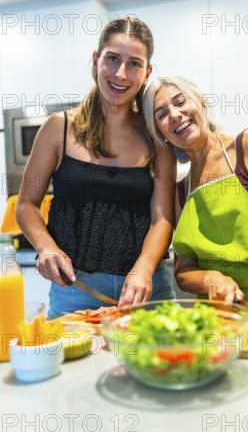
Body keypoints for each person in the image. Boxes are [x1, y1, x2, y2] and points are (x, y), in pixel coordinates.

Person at [16, 16, 176, 316]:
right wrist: (45, 247)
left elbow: (162, 218)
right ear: (96, 60)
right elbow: (26, 205)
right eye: (112, 59)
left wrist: (143, 268)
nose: (121, 74)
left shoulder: (157, 136)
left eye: (134, 64)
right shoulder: (59, 129)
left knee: (158, 363)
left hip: (145, 288)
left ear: (147, 72)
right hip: (76, 290)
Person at [143, 75, 248, 320]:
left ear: (201, 104)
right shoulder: (180, 191)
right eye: (161, 114)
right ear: (160, 133)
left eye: (180, 102)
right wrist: (209, 279)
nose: (175, 115)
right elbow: (183, 270)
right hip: (218, 320)